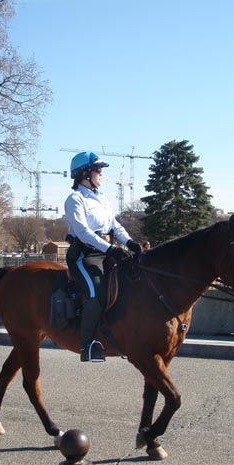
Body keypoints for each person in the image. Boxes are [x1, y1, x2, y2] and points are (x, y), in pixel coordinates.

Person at [64, 151, 142, 362]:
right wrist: (110, 249)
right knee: (95, 293)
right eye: (98, 170)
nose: (101, 174)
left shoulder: (102, 198)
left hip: (107, 251)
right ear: (84, 174)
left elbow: (114, 225)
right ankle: (87, 346)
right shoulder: (74, 199)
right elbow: (83, 232)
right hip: (84, 255)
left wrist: (130, 242)